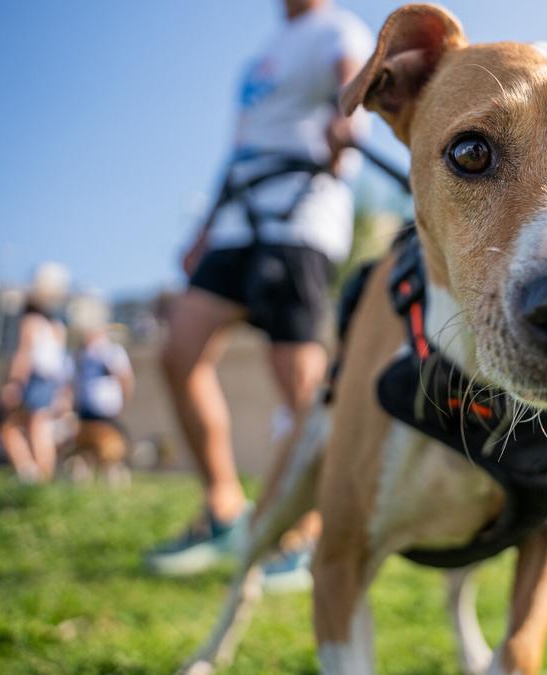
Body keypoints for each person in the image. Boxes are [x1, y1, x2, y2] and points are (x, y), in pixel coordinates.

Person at [146, 0, 372, 592]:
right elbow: (240, 144)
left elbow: (353, 85)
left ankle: (308, 533)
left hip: (299, 214)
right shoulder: (261, 58)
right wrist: (203, 230)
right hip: (237, 215)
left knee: (298, 380)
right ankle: (223, 508)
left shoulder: (338, 29)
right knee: (179, 354)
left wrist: (346, 119)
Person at [0, 262, 72, 483]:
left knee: (9, 426)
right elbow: (61, 363)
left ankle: (28, 471)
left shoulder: (30, 322)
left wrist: (14, 382)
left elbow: (24, 355)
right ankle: (42, 475)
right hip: (52, 381)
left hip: (35, 379)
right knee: (41, 426)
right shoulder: (58, 327)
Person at [68, 313, 135, 484]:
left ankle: (115, 479)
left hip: (106, 410)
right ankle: (85, 482)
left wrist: (122, 403)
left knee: (110, 450)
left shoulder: (111, 351)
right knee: (84, 449)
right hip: (85, 409)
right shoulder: (81, 355)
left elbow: (125, 378)